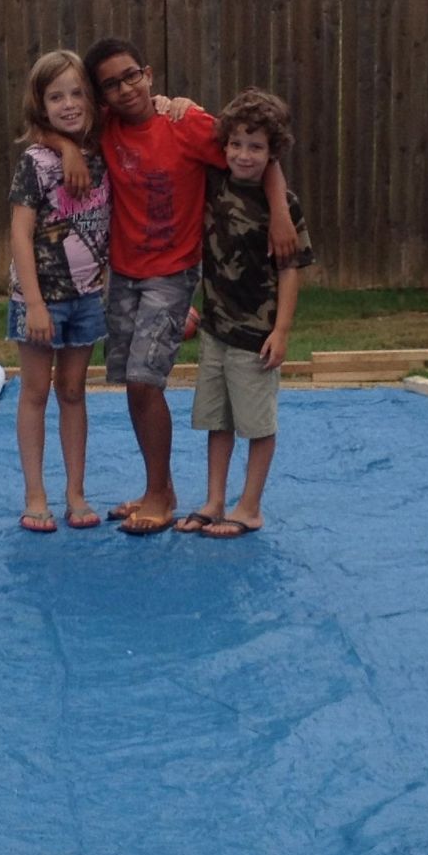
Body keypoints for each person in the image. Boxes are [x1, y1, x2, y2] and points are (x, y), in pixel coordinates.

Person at [81, 37, 297, 536]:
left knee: (144, 379)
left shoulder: (184, 124)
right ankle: (156, 485)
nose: (124, 88)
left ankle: (162, 493)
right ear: (102, 96)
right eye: (110, 84)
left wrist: (281, 210)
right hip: (124, 274)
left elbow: (256, 144)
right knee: (132, 386)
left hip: (173, 272)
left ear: (149, 73)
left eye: (131, 75)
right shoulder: (106, 130)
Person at [180, 91, 313, 539]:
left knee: (257, 424)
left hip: (256, 335)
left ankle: (250, 505)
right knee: (217, 421)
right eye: (236, 144)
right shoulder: (214, 184)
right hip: (216, 329)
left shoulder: (284, 207)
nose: (244, 155)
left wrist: (282, 330)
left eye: (256, 147)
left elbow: (290, 270)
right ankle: (215, 498)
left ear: (273, 153)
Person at [5, 50, 109, 533]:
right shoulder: (35, 161)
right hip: (40, 299)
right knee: (36, 392)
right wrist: (36, 304)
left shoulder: (102, 152)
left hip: (87, 296)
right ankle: (35, 493)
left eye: (76, 93)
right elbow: (20, 235)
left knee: (73, 391)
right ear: (40, 105)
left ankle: (76, 491)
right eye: (55, 96)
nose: (68, 104)